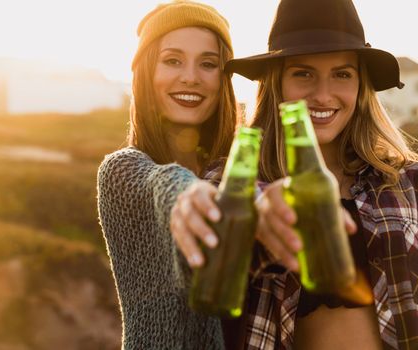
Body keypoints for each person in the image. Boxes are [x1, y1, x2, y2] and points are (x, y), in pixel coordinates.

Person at [171, 0, 418, 349]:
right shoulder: (234, 185)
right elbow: (195, 294)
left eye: (342, 74)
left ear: (360, 85)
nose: (323, 95)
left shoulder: (417, 185)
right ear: (277, 83)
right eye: (303, 73)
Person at [96, 1, 237, 348]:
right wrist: (190, 194)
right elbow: (161, 185)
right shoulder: (121, 171)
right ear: (146, 72)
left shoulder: (243, 169)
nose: (190, 76)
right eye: (172, 60)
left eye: (208, 64)